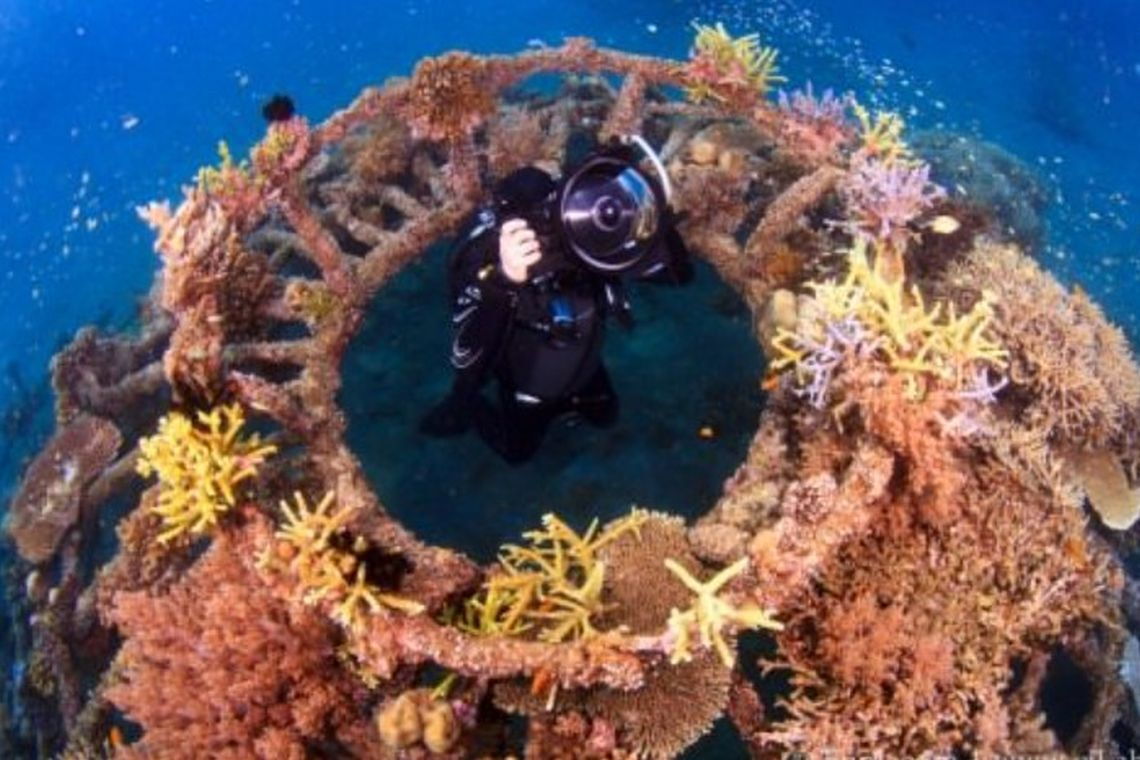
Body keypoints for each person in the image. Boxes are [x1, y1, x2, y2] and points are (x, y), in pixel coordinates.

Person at [419, 142, 693, 463]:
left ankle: (566, 409)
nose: (553, 226)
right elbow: (466, 358)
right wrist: (504, 280)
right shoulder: (490, 258)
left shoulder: (595, 241)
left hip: (586, 371)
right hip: (527, 391)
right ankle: (471, 411)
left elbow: (678, 275)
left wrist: (644, 208)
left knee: (607, 415)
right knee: (517, 453)